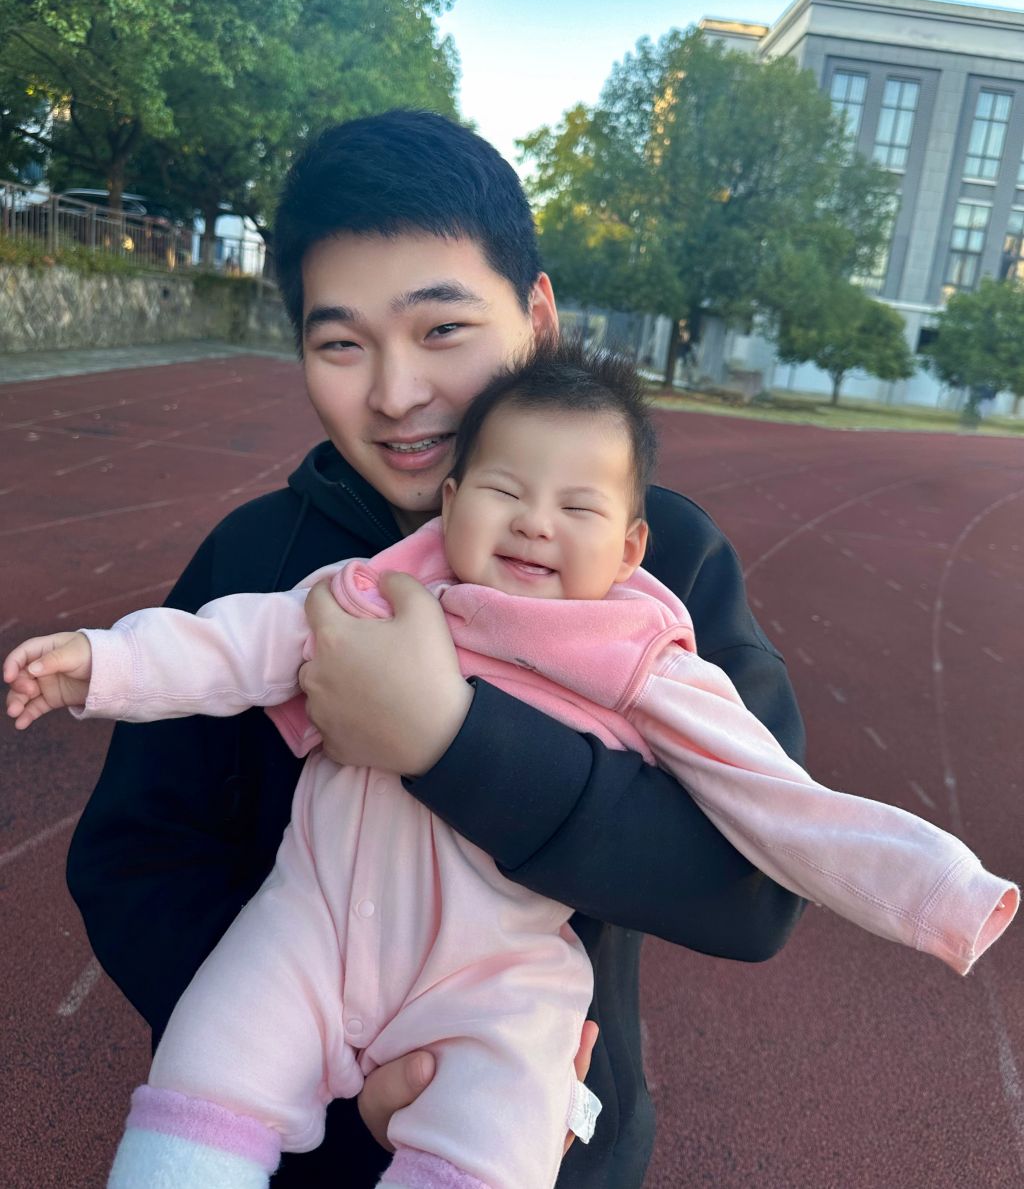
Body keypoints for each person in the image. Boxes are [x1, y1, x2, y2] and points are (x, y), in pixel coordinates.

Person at [6, 339, 1016, 1189]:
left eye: (577, 508)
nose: (535, 521)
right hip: (310, 929)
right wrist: (105, 663)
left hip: (491, 973)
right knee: (209, 1062)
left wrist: (937, 889)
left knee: (502, 1124)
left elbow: (771, 798)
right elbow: (237, 642)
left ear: (630, 549)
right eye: (503, 490)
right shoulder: (374, 592)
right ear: (450, 502)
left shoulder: (634, 660)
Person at [55, 111, 810, 1188]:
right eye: (341, 343)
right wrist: (322, 1067)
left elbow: (754, 891)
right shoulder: (255, 559)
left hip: (533, 1138)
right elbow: (135, 857)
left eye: (443, 329)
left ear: (536, 318)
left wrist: (449, 741)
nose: (396, 392)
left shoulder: (659, 568)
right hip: (283, 1143)